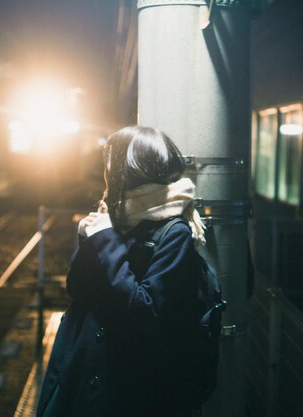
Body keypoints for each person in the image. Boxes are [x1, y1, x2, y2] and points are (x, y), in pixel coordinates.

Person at [36, 126, 209, 417]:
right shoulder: (119, 216)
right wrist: (88, 241)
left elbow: (144, 311)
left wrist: (104, 240)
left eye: (111, 164)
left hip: (128, 390)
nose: (106, 172)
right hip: (85, 373)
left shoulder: (173, 232)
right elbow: (77, 290)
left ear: (128, 170)